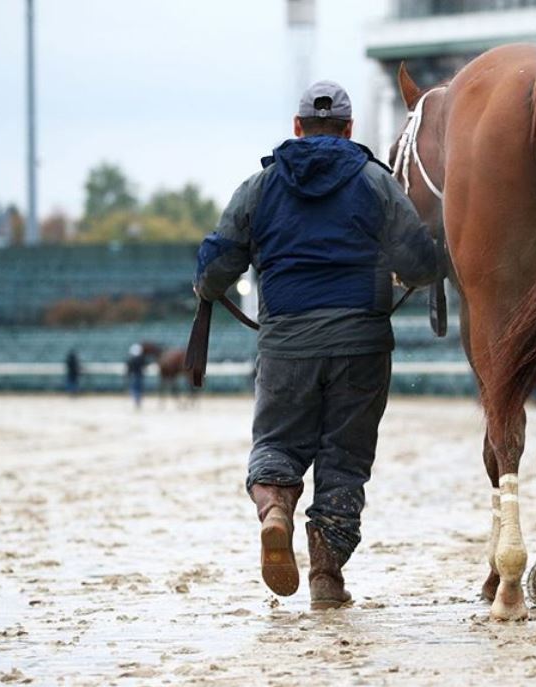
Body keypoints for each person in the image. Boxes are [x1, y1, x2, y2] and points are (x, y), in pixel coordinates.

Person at [193, 80, 443, 609]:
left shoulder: (258, 188)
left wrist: (206, 285)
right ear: (349, 130)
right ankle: (327, 579)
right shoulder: (376, 182)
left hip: (286, 346)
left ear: (297, 128)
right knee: (344, 462)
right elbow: (419, 263)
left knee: (279, 446)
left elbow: (216, 269)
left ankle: (275, 512)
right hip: (362, 344)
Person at [126, 343, 146, 409]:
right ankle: (138, 401)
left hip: (134, 376)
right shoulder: (141, 359)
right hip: (140, 376)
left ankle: (137, 401)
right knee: (139, 389)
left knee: (134, 389)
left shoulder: (131, 360)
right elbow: (144, 367)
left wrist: (127, 375)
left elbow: (129, 369)